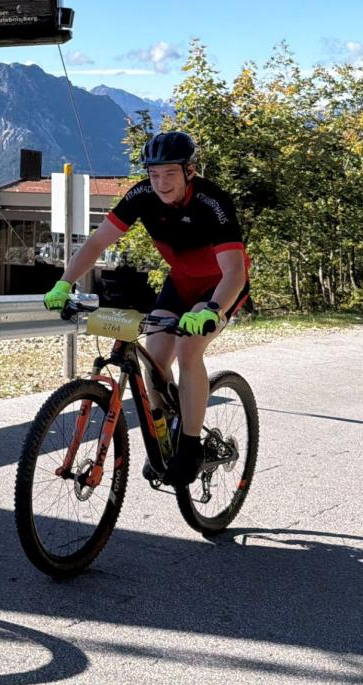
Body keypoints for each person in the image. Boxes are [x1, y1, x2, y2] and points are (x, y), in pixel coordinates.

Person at [41, 131, 249, 486]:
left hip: (220, 288)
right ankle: (167, 429)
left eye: (170, 174)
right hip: (180, 283)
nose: (161, 183)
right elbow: (96, 243)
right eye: (154, 175)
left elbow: (234, 270)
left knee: (188, 347)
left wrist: (212, 309)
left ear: (190, 171)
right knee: (155, 360)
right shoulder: (140, 196)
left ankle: (190, 446)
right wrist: (65, 282)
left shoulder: (213, 202)